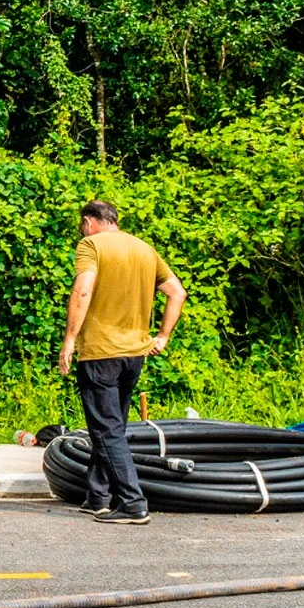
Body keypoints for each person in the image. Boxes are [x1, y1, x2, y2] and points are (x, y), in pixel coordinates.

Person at [57, 200, 186, 524]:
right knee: (112, 427)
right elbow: (177, 293)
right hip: (135, 354)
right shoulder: (144, 249)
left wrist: (69, 340)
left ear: (89, 222)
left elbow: (83, 290)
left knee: (106, 430)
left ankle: (132, 503)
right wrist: (163, 336)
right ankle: (98, 496)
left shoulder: (91, 245)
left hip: (101, 352)